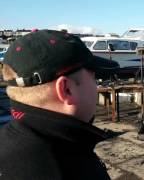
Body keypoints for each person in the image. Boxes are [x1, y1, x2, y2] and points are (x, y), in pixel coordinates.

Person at [0, 30, 119, 180]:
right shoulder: (69, 167)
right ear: (67, 89)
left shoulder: (10, 141)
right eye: (94, 78)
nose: (96, 86)